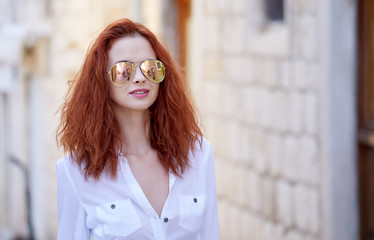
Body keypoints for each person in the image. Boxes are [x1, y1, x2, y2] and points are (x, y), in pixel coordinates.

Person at [56, 18, 220, 240]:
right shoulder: (77, 171)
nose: (140, 78)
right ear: (101, 82)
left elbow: (210, 234)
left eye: (151, 68)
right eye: (123, 70)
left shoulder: (197, 154)